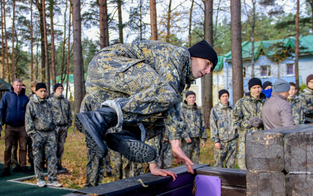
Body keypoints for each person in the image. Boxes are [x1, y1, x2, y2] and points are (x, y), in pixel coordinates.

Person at [75, 40, 217, 180]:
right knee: (167, 95)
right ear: (194, 57)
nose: (208, 71)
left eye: (211, 68)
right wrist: (176, 143)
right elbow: (170, 100)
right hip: (108, 65)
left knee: (159, 114)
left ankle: (129, 133)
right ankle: (100, 118)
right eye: (208, 63)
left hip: (106, 86)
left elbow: (163, 111)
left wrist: (153, 164)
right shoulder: (177, 55)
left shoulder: (179, 78)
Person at [25, 83, 61, 187]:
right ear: (36, 92)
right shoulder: (31, 104)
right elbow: (28, 121)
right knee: (38, 157)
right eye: (41, 91)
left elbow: (54, 117)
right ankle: (40, 178)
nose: (43, 93)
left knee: (52, 157)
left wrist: (54, 130)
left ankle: (52, 179)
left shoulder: (48, 103)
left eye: (45, 91)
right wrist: (33, 134)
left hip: (50, 134)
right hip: (38, 134)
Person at [0, 78, 31, 176]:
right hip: (10, 126)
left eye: (20, 85)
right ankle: (6, 167)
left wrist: (28, 126)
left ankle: (23, 166)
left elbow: (28, 113)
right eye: (17, 85)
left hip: (22, 126)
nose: (18, 87)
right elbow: (2, 109)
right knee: (8, 147)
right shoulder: (7, 96)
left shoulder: (25, 98)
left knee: (23, 147)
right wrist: (2, 121)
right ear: (13, 86)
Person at [233, 78, 266, 169]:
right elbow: (235, 121)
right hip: (246, 140)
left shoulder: (266, 102)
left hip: (262, 139)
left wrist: (262, 122)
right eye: (254, 88)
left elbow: (272, 119)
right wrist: (248, 123)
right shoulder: (241, 103)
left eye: (258, 87)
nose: (257, 90)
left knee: (261, 165)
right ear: (250, 89)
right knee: (245, 166)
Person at [47, 83, 72, 173]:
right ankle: (52, 165)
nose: (60, 90)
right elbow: (48, 114)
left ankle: (58, 164)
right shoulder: (50, 101)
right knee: (53, 147)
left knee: (61, 147)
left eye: (61, 88)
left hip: (63, 127)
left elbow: (69, 113)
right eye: (58, 88)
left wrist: (68, 124)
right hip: (54, 128)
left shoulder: (65, 101)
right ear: (55, 90)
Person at [210, 89, 238, 168]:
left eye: (226, 96)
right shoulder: (215, 110)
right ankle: (218, 180)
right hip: (221, 142)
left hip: (232, 141)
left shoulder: (233, 109)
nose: (225, 98)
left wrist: (236, 135)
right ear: (220, 98)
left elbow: (237, 122)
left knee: (231, 165)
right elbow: (213, 126)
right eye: (223, 96)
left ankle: (229, 180)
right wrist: (216, 141)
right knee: (218, 164)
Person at [180, 91, 207, 164]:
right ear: (186, 99)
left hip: (196, 139)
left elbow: (202, 124)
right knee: (186, 161)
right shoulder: (182, 110)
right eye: (190, 97)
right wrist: (185, 136)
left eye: (193, 97)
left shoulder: (198, 110)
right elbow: (180, 124)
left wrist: (203, 139)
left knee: (195, 162)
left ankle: (194, 175)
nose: (192, 99)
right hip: (187, 140)